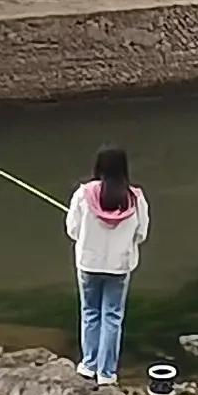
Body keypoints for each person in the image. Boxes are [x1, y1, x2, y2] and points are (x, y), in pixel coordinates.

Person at [63, 146, 147, 382]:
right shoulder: (135, 198)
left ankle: (88, 365)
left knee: (90, 313)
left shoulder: (83, 194)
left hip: (89, 264)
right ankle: (107, 373)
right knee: (112, 316)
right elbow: (142, 234)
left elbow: (72, 231)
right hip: (119, 267)